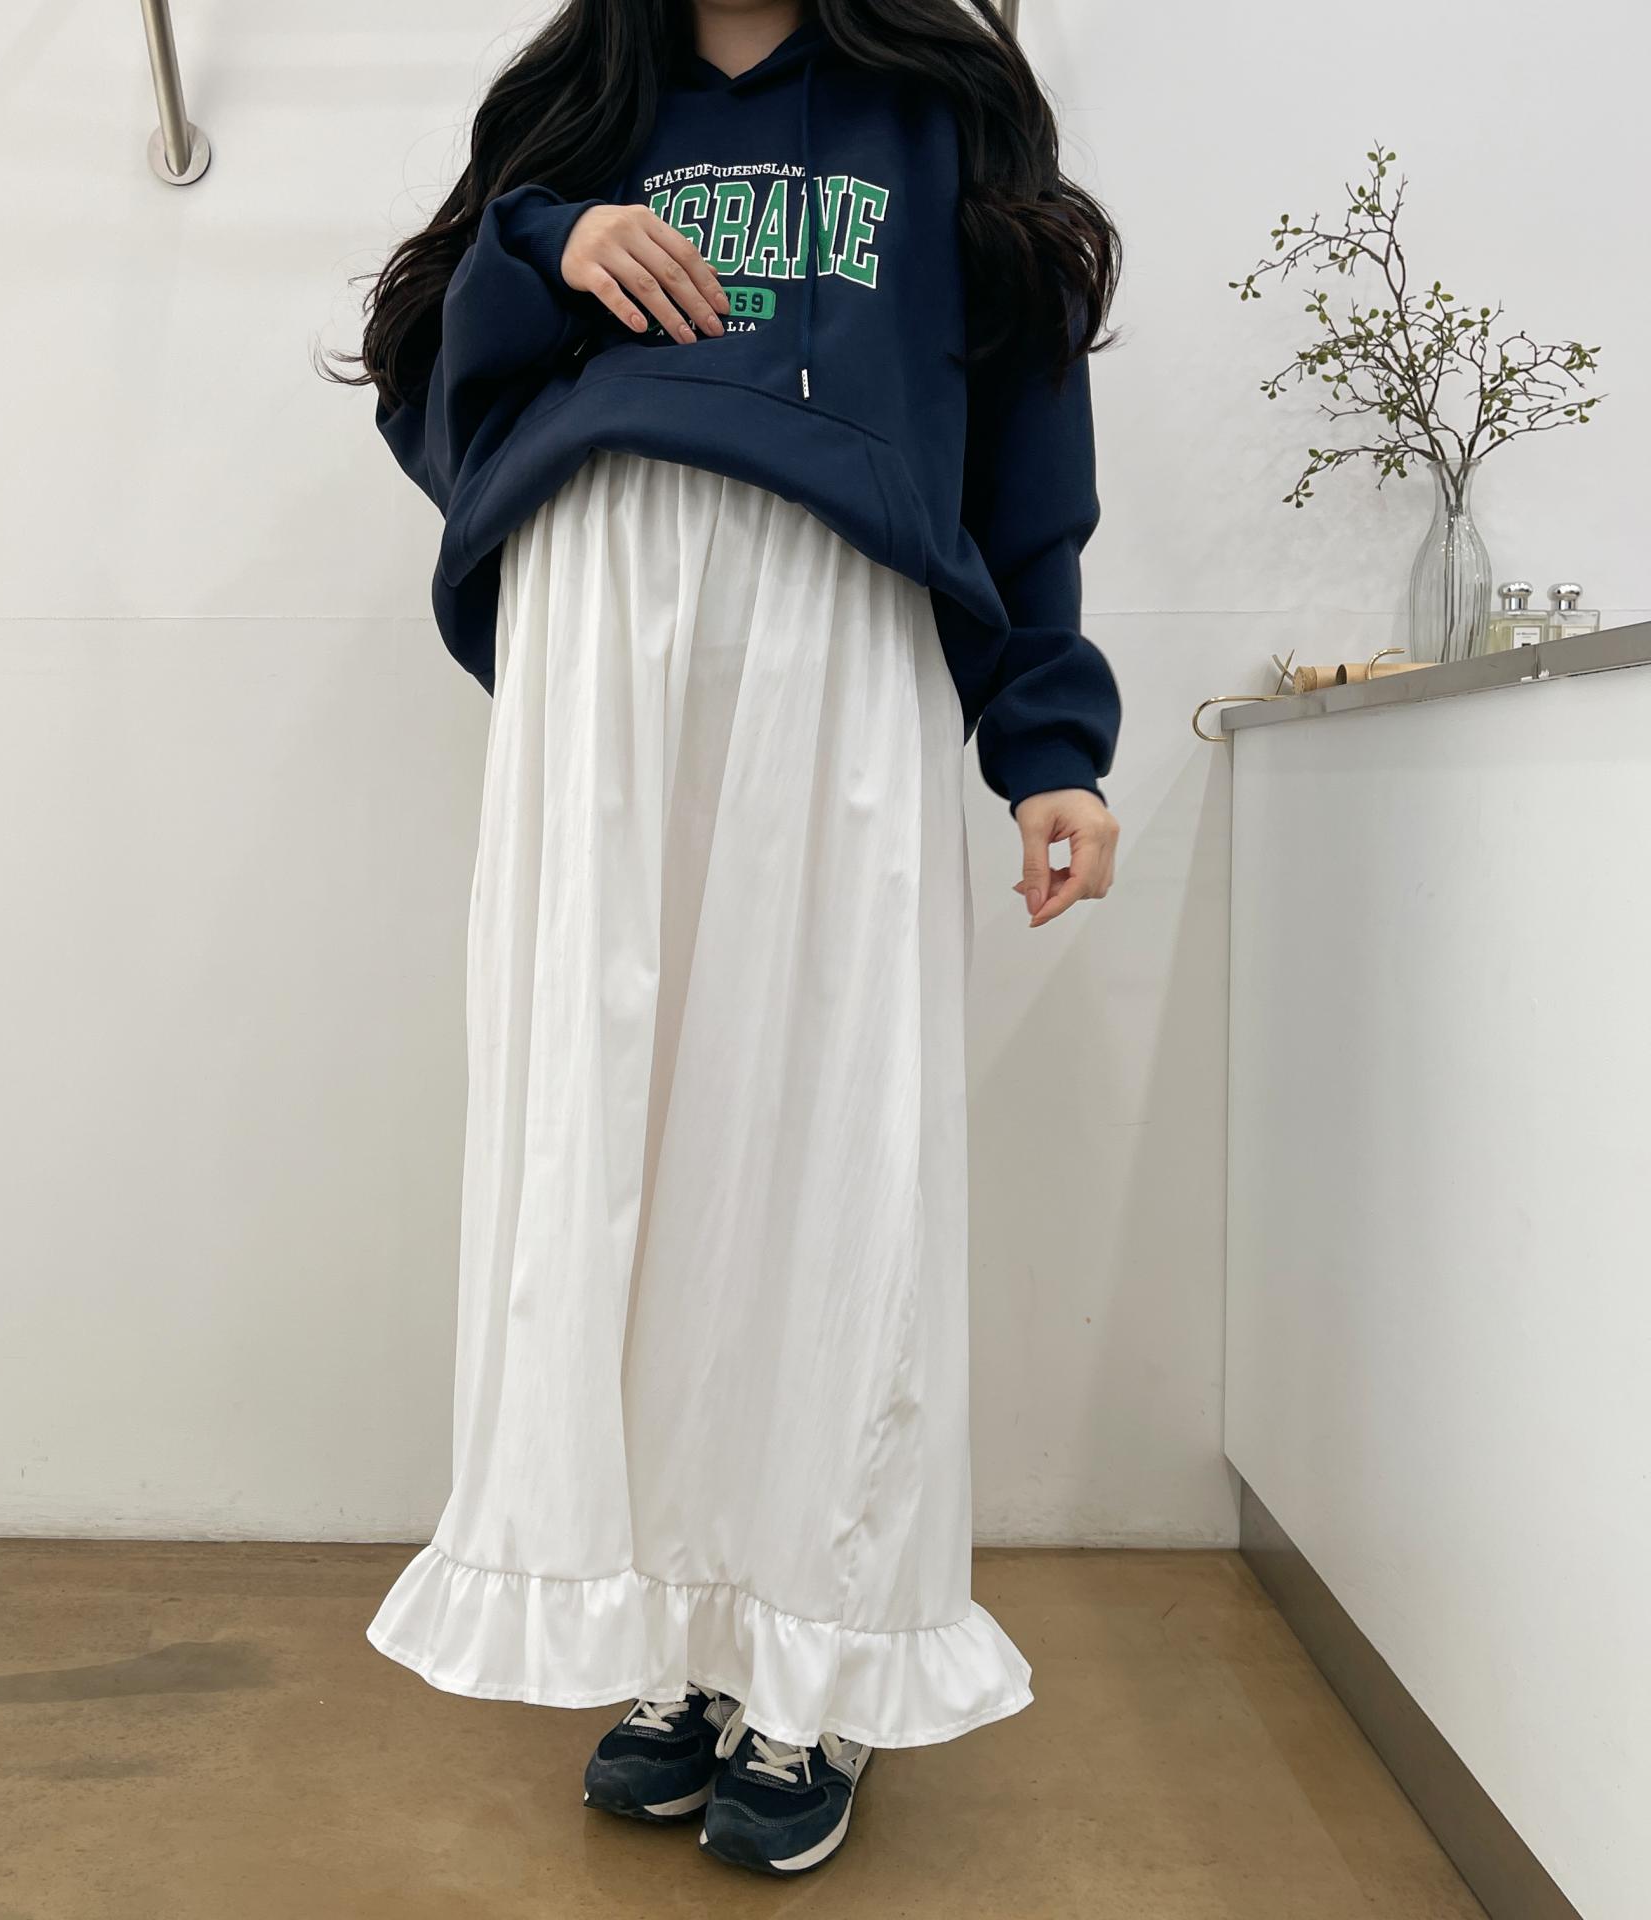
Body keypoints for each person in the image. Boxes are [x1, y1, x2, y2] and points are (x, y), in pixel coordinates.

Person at [337, 0, 1122, 1876]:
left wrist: (1049, 742)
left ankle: (817, 1656)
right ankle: (676, 1633)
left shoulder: (939, 108)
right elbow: (423, 377)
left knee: (827, 1135)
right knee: (599, 1130)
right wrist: (548, 243)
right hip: (597, 617)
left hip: (833, 615)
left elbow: (1024, 432)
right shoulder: (578, 98)